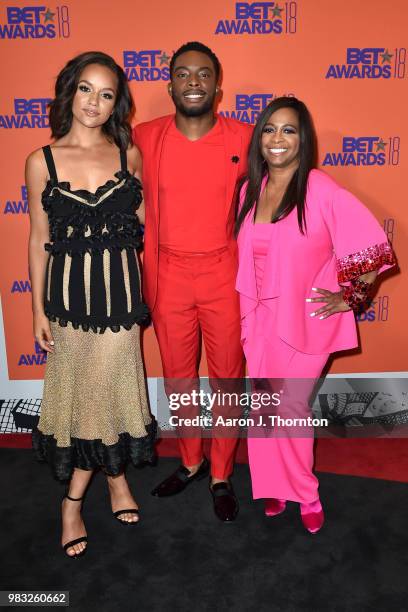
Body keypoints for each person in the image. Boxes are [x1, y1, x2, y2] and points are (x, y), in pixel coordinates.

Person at [235, 97, 395, 533]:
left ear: (303, 139)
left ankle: (305, 493)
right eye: (269, 129)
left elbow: (372, 249)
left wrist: (353, 295)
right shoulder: (251, 188)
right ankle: (273, 485)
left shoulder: (321, 188)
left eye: (288, 130)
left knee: (292, 407)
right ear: (259, 138)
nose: (277, 139)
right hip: (259, 319)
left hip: (305, 321)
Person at [27, 51, 155, 558]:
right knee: (86, 398)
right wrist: (37, 310)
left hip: (121, 302)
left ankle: (75, 499)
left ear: (116, 103)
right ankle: (111, 483)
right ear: (69, 91)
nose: (94, 103)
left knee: (109, 394)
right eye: (86, 89)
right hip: (68, 305)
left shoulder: (130, 156)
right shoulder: (43, 161)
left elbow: (138, 230)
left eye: (106, 94)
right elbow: (39, 239)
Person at [133, 41, 253, 522]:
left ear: (217, 87)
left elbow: (286, 188)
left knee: (226, 379)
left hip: (226, 272)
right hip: (168, 275)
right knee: (179, 379)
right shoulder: (143, 136)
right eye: (184, 74)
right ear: (170, 85)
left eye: (203, 74)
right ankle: (190, 462)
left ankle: (221, 473)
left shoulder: (245, 138)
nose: (194, 82)